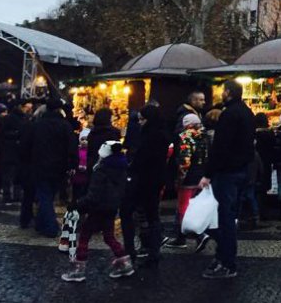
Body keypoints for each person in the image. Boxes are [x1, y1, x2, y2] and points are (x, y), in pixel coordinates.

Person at [199, 80, 255, 279]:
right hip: (242, 171)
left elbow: (220, 147)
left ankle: (226, 262)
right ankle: (224, 258)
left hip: (227, 173)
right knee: (229, 217)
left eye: (223, 91)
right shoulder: (247, 113)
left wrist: (208, 173)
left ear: (228, 93)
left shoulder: (229, 115)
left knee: (225, 219)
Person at [61, 140, 135, 282]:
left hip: (98, 208)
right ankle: (124, 263)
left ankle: (78, 269)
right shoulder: (122, 167)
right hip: (112, 207)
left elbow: (94, 195)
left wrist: (77, 205)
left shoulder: (101, 170)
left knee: (84, 235)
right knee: (109, 236)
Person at [20, 96, 77, 238]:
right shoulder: (65, 126)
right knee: (48, 195)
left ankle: (46, 225)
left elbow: (25, 146)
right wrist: (72, 164)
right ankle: (47, 225)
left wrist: (27, 162)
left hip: (39, 165)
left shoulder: (37, 125)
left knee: (44, 195)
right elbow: (72, 147)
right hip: (59, 167)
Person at [121, 104, 169, 267]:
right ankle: (152, 250)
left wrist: (131, 168)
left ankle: (130, 251)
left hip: (142, 181)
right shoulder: (162, 134)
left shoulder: (149, 136)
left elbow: (142, 160)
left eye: (142, 119)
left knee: (128, 212)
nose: (140, 122)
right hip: (155, 181)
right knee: (152, 215)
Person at [166, 113, 210, 250]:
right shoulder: (205, 136)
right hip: (201, 175)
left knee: (183, 208)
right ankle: (184, 236)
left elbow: (185, 161)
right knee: (196, 207)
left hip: (189, 177)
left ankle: (199, 234)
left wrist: (180, 178)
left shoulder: (186, 137)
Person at [0, 98, 30, 203]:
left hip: (13, 150)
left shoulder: (21, 118)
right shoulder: (13, 119)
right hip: (12, 150)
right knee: (11, 174)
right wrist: (18, 134)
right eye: (25, 107)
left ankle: (13, 195)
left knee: (14, 174)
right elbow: (3, 134)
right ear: (21, 106)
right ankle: (10, 195)